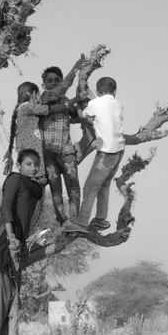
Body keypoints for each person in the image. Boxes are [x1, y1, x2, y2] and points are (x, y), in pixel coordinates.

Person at [0, 149, 48, 335]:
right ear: (20, 164)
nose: (33, 168)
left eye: (35, 165)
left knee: (11, 291)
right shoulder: (15, 179)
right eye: (28, 164)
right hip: (6, 236)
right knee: (1, 291)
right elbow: (6, 208)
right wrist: (12, 236)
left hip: (19, 241)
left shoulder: (35, 188)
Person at [65, 76, 124, 232]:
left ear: (98, 91)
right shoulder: (117, 104)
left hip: (106, 152)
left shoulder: (94, 104)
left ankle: (82, 223)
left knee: (90, 188)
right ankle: (101, 219)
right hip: (119, 150)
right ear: (115, 91)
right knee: (104, 185)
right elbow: (101, 103)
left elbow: (84, 115)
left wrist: (79, 103)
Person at [37, 65, 81, 225]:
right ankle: (63, 221)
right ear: (44, 85)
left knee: (73, 185)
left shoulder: (65, 101)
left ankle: (75, 220)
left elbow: (76, 113)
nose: (54, 83)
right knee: (56, 188)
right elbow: (59, 92)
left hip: (66, 148)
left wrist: (82, 102)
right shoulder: (45, 97)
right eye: (50, 80)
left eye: (57, 80)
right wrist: (75, 68)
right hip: (48, 151)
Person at [3, 82, 46, 182]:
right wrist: (68, 104)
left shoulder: (24, 110)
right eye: (39, 95)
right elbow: (47, 109)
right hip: (29, 164)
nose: (40, 99)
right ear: (33, 94)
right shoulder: (27, 107)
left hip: (24, 160)